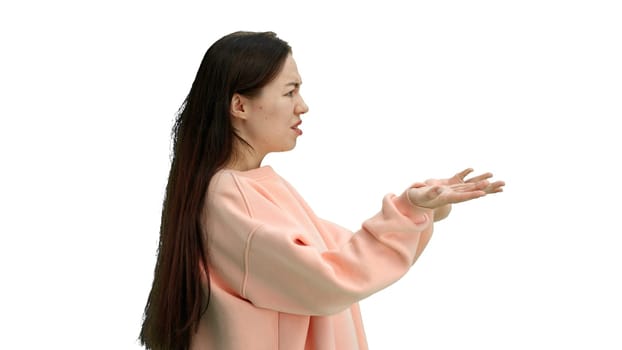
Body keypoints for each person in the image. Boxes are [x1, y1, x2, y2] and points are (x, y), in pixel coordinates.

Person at [139, 31, 505, 350]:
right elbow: (332, 277)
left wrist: (422, 209)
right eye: (289, 91)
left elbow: (343, 252)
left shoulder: (254, 186)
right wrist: (408, 213)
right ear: (240, 105)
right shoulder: (230, 196)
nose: (303, 106)